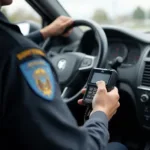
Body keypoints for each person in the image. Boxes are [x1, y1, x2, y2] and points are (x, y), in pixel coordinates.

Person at [0, 0, 127, 150]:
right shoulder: (23, 56)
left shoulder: (11, 47)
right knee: (119, 146)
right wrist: (101, 112)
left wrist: (44, 33)